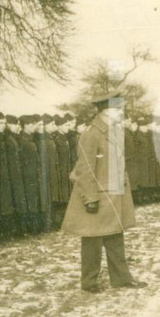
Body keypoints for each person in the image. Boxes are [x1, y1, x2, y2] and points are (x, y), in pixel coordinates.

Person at [61, 90, 147, 293]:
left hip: (114, 195)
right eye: (118, 109)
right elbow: (85, 168)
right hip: (98, 196)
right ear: (106, 111)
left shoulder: (114, 131)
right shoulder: (91, 134)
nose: (121, 113)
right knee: (92, 240)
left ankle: (121, 279)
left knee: (116, 237)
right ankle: (89, 283)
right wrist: (90, 198)